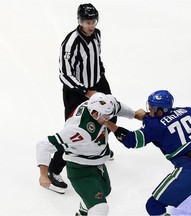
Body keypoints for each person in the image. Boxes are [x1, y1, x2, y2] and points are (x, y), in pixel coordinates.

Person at [104, 90, 191, 215]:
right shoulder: (188, 112)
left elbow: (132, 141)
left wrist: (108, 123)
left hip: (189, 172)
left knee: (154, 207)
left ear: (161, 110)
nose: (150, 110)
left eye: (152, 108)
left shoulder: (154, 126)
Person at [36, 92, 145, 215]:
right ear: (94, 114)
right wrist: (44, 174)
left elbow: (117, 107)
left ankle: (82, 213)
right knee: (100, 209)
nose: (108, 120)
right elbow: (44, 145)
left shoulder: (98, 105)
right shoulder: (79, 130)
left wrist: (135, 114)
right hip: (80, 170)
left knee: (105, 192)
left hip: (98, 163)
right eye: (105, 117)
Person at [48, 3, 115, 192]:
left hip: (98, 84)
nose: (91, 25)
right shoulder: (71, 43)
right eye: (87, 22)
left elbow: (97, 57)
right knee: (75, 131)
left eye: (93, 21)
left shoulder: (98, 34)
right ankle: (53, 170)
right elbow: (64, 74)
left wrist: (100, 75)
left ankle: (98, 147)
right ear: (79, 21)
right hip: (76, 92)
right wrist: (86, 91)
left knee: (110, 116)